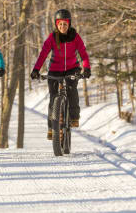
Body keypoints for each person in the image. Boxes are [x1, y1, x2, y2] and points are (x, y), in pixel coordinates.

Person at [30, 9, 91, 140]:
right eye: (60, 24)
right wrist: (36, 69)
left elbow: (83, 54)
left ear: (69, 24)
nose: (62, 26)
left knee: (71, 90)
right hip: (55, 70)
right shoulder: (52, 37)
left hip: (72, 69)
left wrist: (86, 68)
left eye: (65, 24)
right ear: (56, 25)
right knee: (53, 99)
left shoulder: (75, 37)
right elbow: (43, 54)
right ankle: (51, 127)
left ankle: (74, 117)